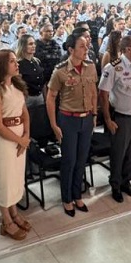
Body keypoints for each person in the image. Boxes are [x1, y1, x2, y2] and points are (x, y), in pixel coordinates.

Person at [46, 34, 97, 216]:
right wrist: (53, 124)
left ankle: (77, 194)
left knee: (82, 159)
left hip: (87, 118)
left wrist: (94, 113)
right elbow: (51, 97)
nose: (86, 49)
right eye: (82, 46)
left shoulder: (90, 67)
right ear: (71, 50)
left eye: (86, 46)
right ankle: (66, 198)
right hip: (68, 120)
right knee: (69, 160)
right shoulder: (60, 70)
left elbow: (93, 91)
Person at [0, 50, 31, 240]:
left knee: (15, 179)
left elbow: (24, 112)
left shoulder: (17, 86)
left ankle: (14, 212)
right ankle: (6, 221)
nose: (16, 63)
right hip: (2, 143)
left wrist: (26, 135)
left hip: (19, 139)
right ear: (2, 65)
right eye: (12, 61)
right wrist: (21, 140)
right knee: (3, 181)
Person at [99, 35, 131, 202]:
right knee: (118, 153)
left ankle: (126, 182)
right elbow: (103, 95)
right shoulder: (113, 67)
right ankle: (115, 185)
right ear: (128, 49)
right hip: (121, 118)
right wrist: (107, 120)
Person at [16, 34, 45, 107]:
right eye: (30, 44)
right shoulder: (19, 64)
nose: (33, 46)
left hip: (39, 96)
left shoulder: (37, 61)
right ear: (23, 46)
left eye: (34, 43)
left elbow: (42, 81)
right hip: (27, 98)